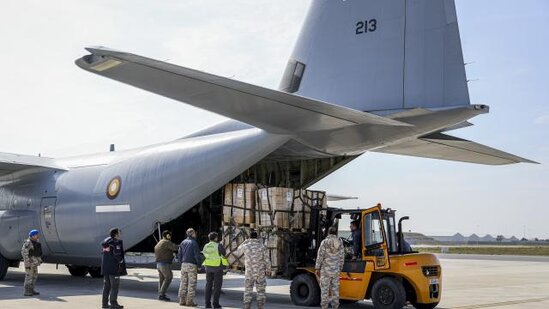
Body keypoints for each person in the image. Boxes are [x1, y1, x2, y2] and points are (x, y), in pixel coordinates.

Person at [236, 230, 271, 309]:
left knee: (248, 291)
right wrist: (268, 269)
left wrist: (245, 241)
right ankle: (260, 307)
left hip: (249, 273)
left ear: (249, 237)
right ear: (257, 237)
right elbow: (267, 259)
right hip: (260, 272)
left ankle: (247, 307)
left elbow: (238, 251)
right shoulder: (262, 246)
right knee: (261, 291)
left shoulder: (246, 246)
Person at [315, 227, 345, 309]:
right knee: (335, 291)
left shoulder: (324, 242)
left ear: (328, 233)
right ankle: (335, 306)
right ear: (336, 233)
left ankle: (324, 307)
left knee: (324, 290)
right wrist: (340, 267)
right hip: (335, 270)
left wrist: (317, 267)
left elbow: (320, 256)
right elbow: (342, 256)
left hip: (325, 271)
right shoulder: (340, 242)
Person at [101, 228, 127, 309]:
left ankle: (104, 304)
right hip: (114, 268)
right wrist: (122, 261)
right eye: (119, 233)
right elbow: (117, 255)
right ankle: (113, 304)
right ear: (116, 234)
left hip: (105, 268)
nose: (120, 234)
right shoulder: (116, 243)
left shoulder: (106, 242)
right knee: (115, 286)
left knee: (107, 286)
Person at [202, 232, 228, 309]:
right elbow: (224, 253)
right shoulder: (218, 245)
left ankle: (207, 304)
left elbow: (204, 254)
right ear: (216, 238)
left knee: (208, 285)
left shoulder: (206, 246)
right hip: (217, 268)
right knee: (217, 286)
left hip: (208, 268)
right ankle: (215, 304)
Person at [177, 228, 202, 307]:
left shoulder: (183, 242)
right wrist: (199, 265)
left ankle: (181, 300)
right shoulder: (194, 243)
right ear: (191, 234)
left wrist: (181, 262)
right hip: (192, 265)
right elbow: (197, 255)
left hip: (184, 264)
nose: (196, 234)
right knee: (192, 284)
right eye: (194, 233)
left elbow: (179, 254)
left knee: (183, 283)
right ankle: (189, 302)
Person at [154, 230, 179, 302]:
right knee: (169, 277)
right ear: (167, 235)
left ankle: (161, 294)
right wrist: (182, 245)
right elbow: (175, 248)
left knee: (162, 279)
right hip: (164, 264)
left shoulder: (160, 242)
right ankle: (161, 294)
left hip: (159, 264)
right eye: (169, 235)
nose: (170, 237)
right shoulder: (166, 242)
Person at [21, 229, 42, 296]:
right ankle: (27, 291)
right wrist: (27, 262)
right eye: (36, 235)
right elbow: (24, 253)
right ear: (32, 236)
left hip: (34, 263)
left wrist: (39, 260)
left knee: (34, 276)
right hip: (29, 263)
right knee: (29, 277)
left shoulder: (36, 242)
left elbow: (36, 253)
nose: (38, 236)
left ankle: (31, 290)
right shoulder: (28, 243)